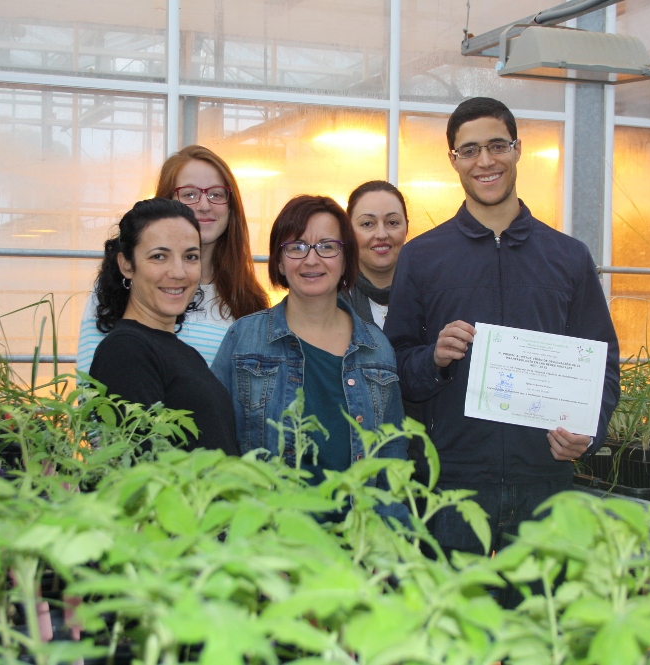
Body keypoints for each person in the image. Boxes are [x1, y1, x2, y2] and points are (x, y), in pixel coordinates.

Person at [383, 97, 620, 557]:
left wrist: (589, 433)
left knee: (540, 624)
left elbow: (602, 361)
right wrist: (432, 358)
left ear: (517, 150)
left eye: (497, 146)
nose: (485, 161)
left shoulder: (567, 257)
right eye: (469, 150)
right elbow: (393, 364)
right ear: (453, 160)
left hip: (545, 482)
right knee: (451, 624)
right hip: (451, 485)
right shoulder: (423, 257)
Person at [211, 196, 408, 514]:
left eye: (327, 246)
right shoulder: (244, 339)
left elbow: (392, 464)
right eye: (297, 247)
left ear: (346, 259)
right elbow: (216, 447)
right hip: (269, 545)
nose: (312, 260)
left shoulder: (376, 348)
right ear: (278, 261)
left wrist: (383, 550)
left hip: (356, 547)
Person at [78, 145, 270, 373]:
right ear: (165, 201)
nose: (204, 205)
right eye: (189, 194)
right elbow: (92, 390)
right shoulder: (125, 285)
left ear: (231, 208)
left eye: (216, 194)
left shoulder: (248, 297)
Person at [88, 198, 240, 456]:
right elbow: (139, 473)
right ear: (126, 264)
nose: (179, 272)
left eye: (190, 256)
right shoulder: (126, 351)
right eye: (159, 256)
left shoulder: (181, 352)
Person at [342, 180, 409, 329]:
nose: (381, 234)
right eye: (367, 224)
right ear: (349, 232)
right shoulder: (331, 302)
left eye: (392, 222)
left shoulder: (430, 293)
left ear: (407, 227)